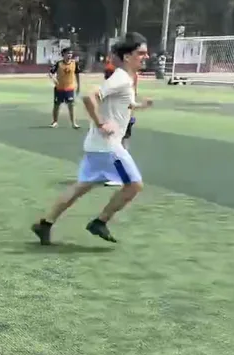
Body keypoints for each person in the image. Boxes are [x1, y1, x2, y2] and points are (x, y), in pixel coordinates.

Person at [31, 32, 153, 245]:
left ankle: (45, 223)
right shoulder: (121, 78)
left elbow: (122, 104)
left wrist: (140, 106)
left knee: (81, 187)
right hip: (108, 147)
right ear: (127, 56)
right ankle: (100, 222)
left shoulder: (125, 78)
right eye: (141, 53)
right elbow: (89, 97)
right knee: (134, 185)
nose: (146, 57)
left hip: (96, 145)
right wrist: (101, 123)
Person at [49, 48, 81, 129]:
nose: (69, 55)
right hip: (59, 88)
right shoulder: (58, 64)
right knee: (57, 105)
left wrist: (78, 86)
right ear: (63, 54)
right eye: (67, 53)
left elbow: (77, 74)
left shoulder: (74, 63)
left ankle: (73, 123)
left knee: (71, 105)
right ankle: (55, 122)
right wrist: (54, 79)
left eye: (71, 53)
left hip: (69, 88)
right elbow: (51, 73)